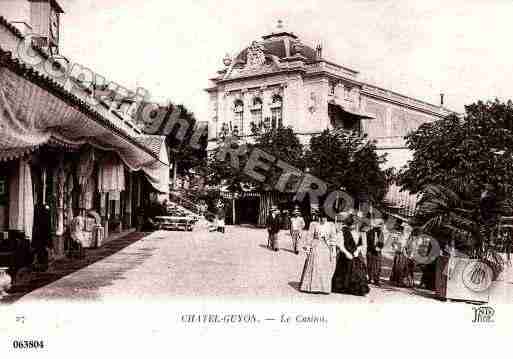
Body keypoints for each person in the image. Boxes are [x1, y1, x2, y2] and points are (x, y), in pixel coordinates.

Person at [332, 214, 370, 296]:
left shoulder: (358, 233)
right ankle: (345, 288)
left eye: (355, 224)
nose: (354, 226)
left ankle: (359, 290)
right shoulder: (342, 232)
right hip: (345, 256)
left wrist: (357, 250)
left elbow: (360, 244)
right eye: (352, 224)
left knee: (359, 272)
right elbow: (340, 244)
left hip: (355, 256)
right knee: (345, 272)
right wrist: (346, 253)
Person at [299, 212, 337, 293]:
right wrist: (308, 247)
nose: (323, 219)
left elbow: (333, 238)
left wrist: (332, 249)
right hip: (316, 246)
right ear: (319, 217)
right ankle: (313, 287)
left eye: (325, 218)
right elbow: (309, 236)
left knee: (324, 266)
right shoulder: (314, 224)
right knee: (315, 265)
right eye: (321, 217)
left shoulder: (331, 225)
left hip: (326, 248)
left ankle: (324, 288)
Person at [389, 222, 414, 288]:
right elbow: (393, 243)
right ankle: (397, 281)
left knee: (405, 268)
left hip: (405, 254)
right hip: (399, 254)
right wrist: (395, 247)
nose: (404, 230)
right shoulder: (399, 236)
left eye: (406, 229)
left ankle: (404, 282)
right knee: (398, 267)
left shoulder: (409, 238)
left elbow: (411, 246)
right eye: (403, 229)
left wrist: (409, 253)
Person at [367, 218, 385, 286]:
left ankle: (376, 279)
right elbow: (368, 242)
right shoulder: (369, 232)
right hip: (370, 250)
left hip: (378, 251)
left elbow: (382, 242)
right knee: (370, 264)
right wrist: (373, 248)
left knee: (377, 265)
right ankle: (370, 278)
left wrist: (379, 248)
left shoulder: (381, 233)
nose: (379, 228)